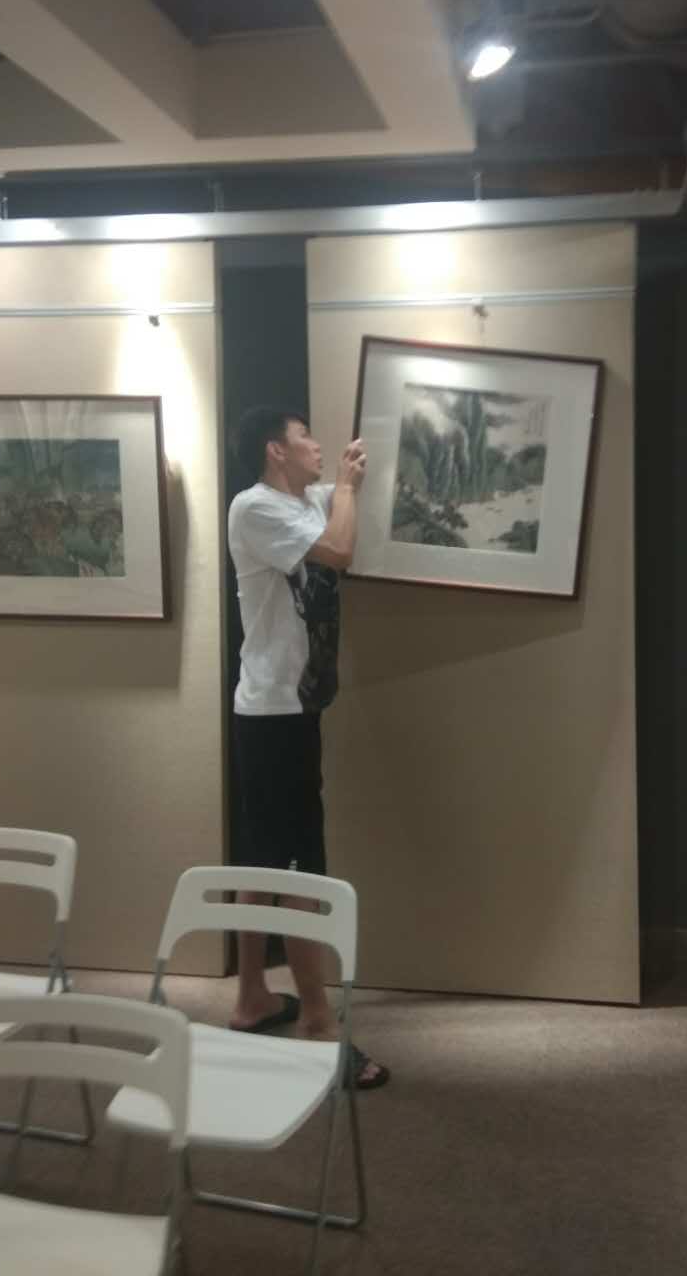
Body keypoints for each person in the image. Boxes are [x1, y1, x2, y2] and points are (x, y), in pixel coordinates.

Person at [226, 406, 390, 1090]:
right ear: (276, 450)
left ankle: (252, 997)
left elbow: (340, 502)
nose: (318, 446)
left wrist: (348, 479)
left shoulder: (302, 501)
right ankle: (318, 1023)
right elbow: (339, 551)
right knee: (297, 866)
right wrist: (345, 488)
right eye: (304, 437)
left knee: (263, 856)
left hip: (285, 708)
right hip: (274, 713)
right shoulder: (255, 508)